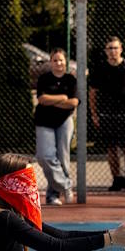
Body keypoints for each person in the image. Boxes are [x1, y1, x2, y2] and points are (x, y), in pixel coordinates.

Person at [89, 36, 125, 191]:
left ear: (121, 49)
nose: (113, 51)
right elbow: (93, 92)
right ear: (106, 51)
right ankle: (117, 180)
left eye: (115, 48)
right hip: (106, 114)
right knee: (111, 148)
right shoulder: (100, 69)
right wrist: (95, 114)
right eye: (110, 48)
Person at [34, 48, 79, 204]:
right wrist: (62, 98)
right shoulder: (44, 79)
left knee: (62, 158)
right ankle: (66, 185)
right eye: (55, 60)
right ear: (50, 62)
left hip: (64, 122)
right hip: (44, 122)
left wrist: (53, 101)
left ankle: (52, 195)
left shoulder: (71, 80)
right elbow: (42, 99)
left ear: (65, 62)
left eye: (61, 60)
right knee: (44, 157)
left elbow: (73, 102)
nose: (58, 63)